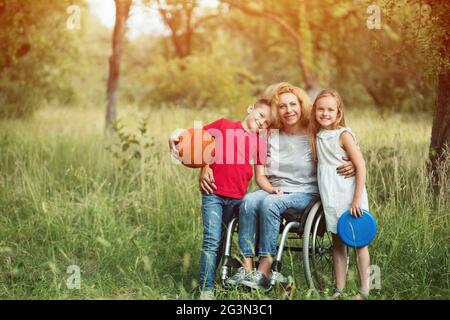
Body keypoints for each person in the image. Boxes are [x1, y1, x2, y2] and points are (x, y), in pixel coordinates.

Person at [225, 83, 356, 291]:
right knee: (249, 201)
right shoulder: (268, 133)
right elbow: (249, 160)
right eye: (283, 106)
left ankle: (265, 268)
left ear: (301, 104)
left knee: (270, 204)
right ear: (276, 110)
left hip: (305, 192)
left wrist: (352, 162)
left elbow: (340, 140)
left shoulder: (313, 130)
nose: (289, 110)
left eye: (293, 104)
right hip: (273, 188)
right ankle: (247, 268)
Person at [168, 98, 276, 300]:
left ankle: (215, 279)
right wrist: (204, 165)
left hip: (237, 200)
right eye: (261, 115)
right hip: (214, 194)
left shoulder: (260, 143)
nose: (262, 122)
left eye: (267, 122)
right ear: (250, 108)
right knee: (211, 241)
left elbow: (260, 177)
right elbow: (196, 141)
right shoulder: (224, 125)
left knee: (222, 242)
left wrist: (273, 190)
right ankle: (206, 290)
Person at [310, 89, 370, 300]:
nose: (325, 113)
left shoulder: (343, 135)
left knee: (359, 243)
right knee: (337, 244)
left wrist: (356, 200)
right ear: (314, 111)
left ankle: (364, 290)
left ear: (338, 112)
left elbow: (360, 165)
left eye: (330, 109)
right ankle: (339, 289)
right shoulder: (316, 135)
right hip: (331, 197)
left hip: (349, 195)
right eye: (320, 109)